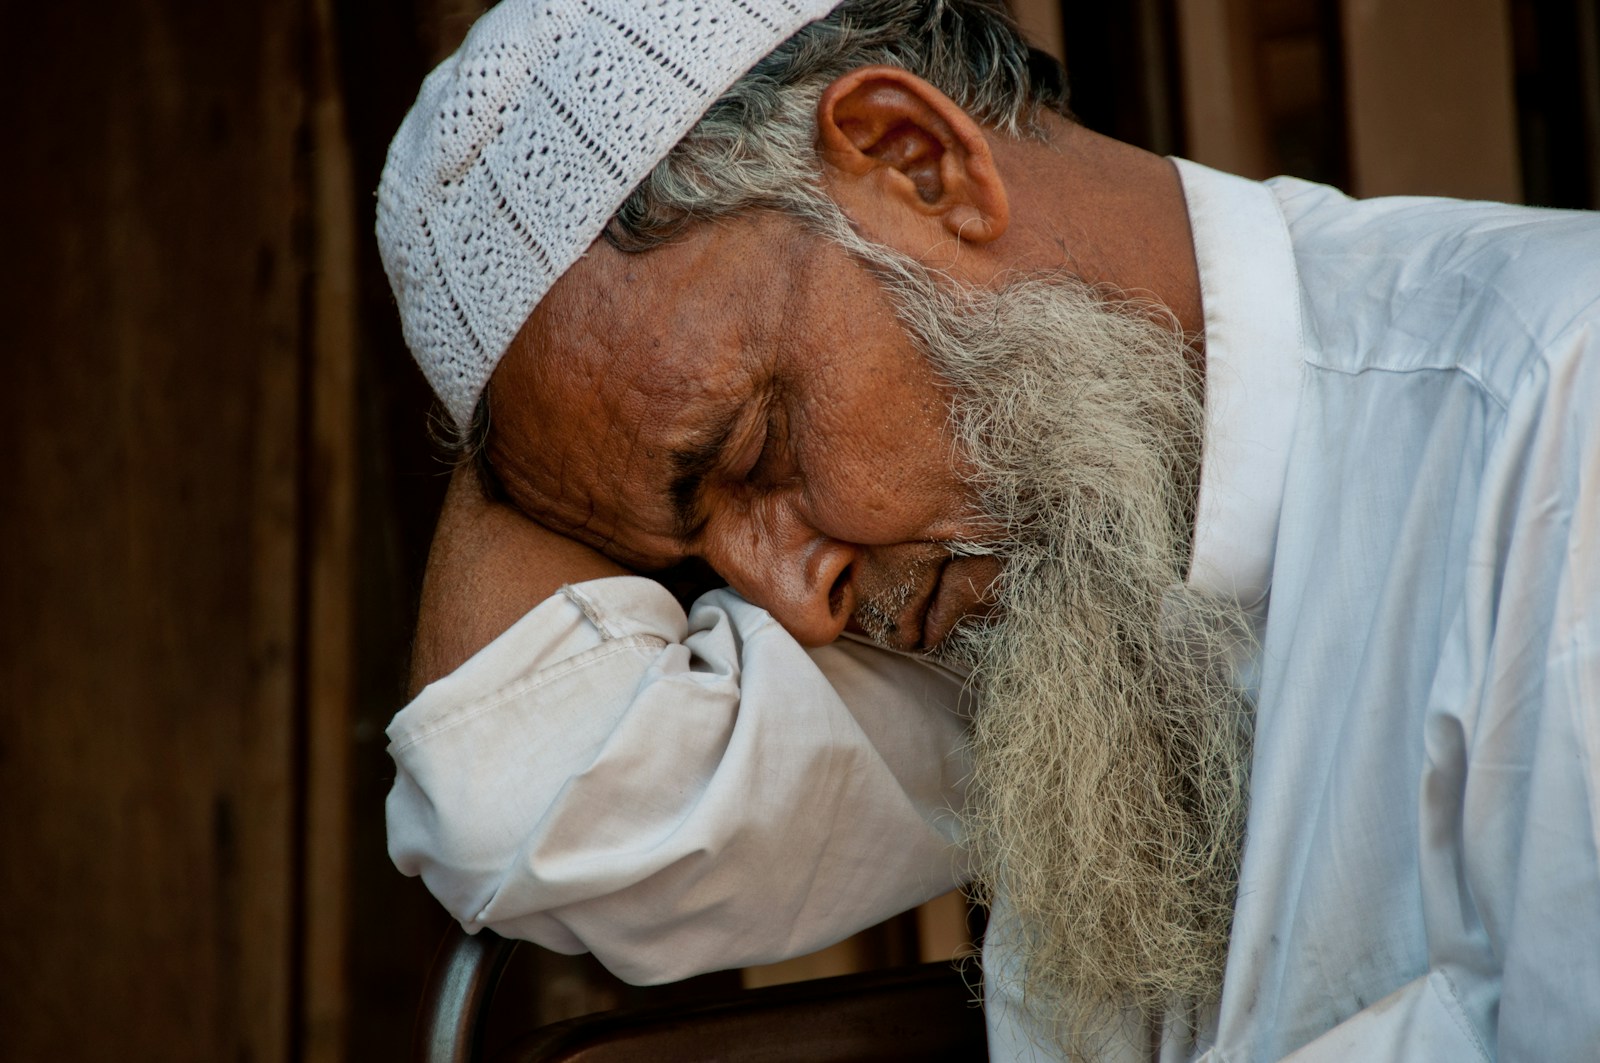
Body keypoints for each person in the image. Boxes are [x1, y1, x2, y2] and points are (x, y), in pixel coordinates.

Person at [376, 1, 1600, 1059]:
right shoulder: (1036, 586)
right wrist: (504, 306)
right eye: (693, 556)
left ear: (916, 161)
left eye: (758, 453)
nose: (797, 603)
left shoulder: (1555, 424)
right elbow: (522, 791)